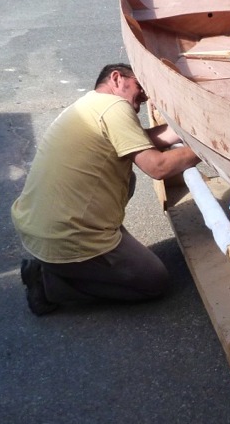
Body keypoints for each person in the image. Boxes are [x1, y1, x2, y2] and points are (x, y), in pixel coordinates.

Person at [11, 63, 199, 315]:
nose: (143, 99)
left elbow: (136, 139)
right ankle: (49, 284)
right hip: (64, 237)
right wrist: (212, 148)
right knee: (154, 282)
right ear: (117, 78)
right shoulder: (115, 106)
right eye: (140, 87)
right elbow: (158, 167)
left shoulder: (91, 105)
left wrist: (187, 130)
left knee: (126, 178)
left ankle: (75, 262)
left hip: (38, 228)